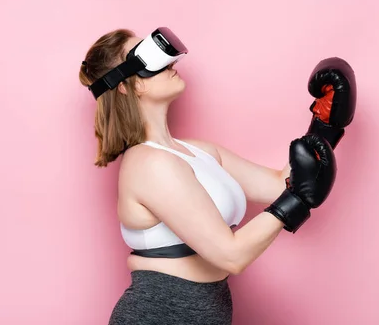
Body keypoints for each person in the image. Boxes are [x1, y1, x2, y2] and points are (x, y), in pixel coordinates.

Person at [78, 26, 356, 325]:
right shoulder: (147, 163)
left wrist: (325, 124)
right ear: (125, 85)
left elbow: (281, 184)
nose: (171, 62)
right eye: (150, 57)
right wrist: (298, 200)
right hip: (159, 314)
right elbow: (230, 255)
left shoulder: (199, 152)